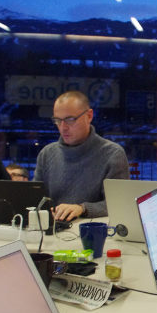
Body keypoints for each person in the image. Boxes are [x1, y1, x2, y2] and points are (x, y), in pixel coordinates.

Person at [33, 90, 128, 222]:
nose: (63, 127)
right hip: (54, 229)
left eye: (70, 119)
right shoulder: (47, 154)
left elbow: (118, 205)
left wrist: (82, 208)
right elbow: (35, 199)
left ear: (89, 116)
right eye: (57, 120)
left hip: (93, 230)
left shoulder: (112, 154)